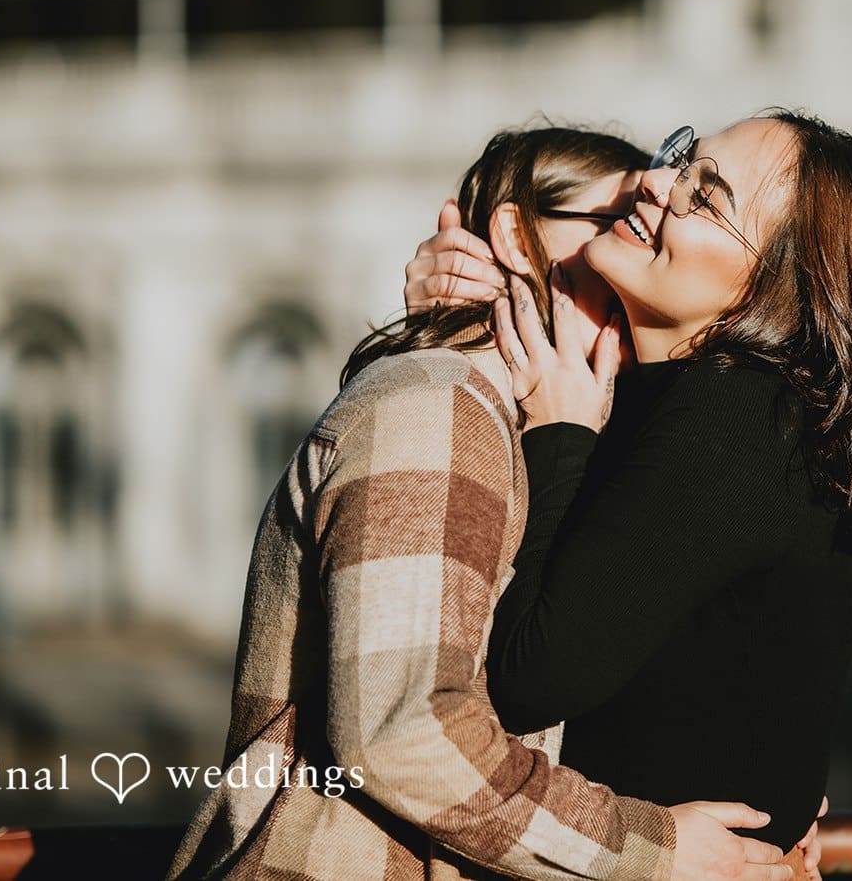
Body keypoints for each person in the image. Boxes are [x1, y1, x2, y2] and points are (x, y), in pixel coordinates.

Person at [165, 128, 802, 881]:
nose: (640, 235)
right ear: (510, 232)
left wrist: (772, 809)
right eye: (612, 221)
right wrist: (655, 851)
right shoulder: (440, 407)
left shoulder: (554, 433)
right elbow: (406, 731)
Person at [409, 111, 852, 860]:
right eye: (682, 163)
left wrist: (560, 434)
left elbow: (528, 673)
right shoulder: (672, 399)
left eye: (705, 197)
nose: (652, 186)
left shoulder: (742, 419)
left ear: (779, 287)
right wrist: (459, 306)